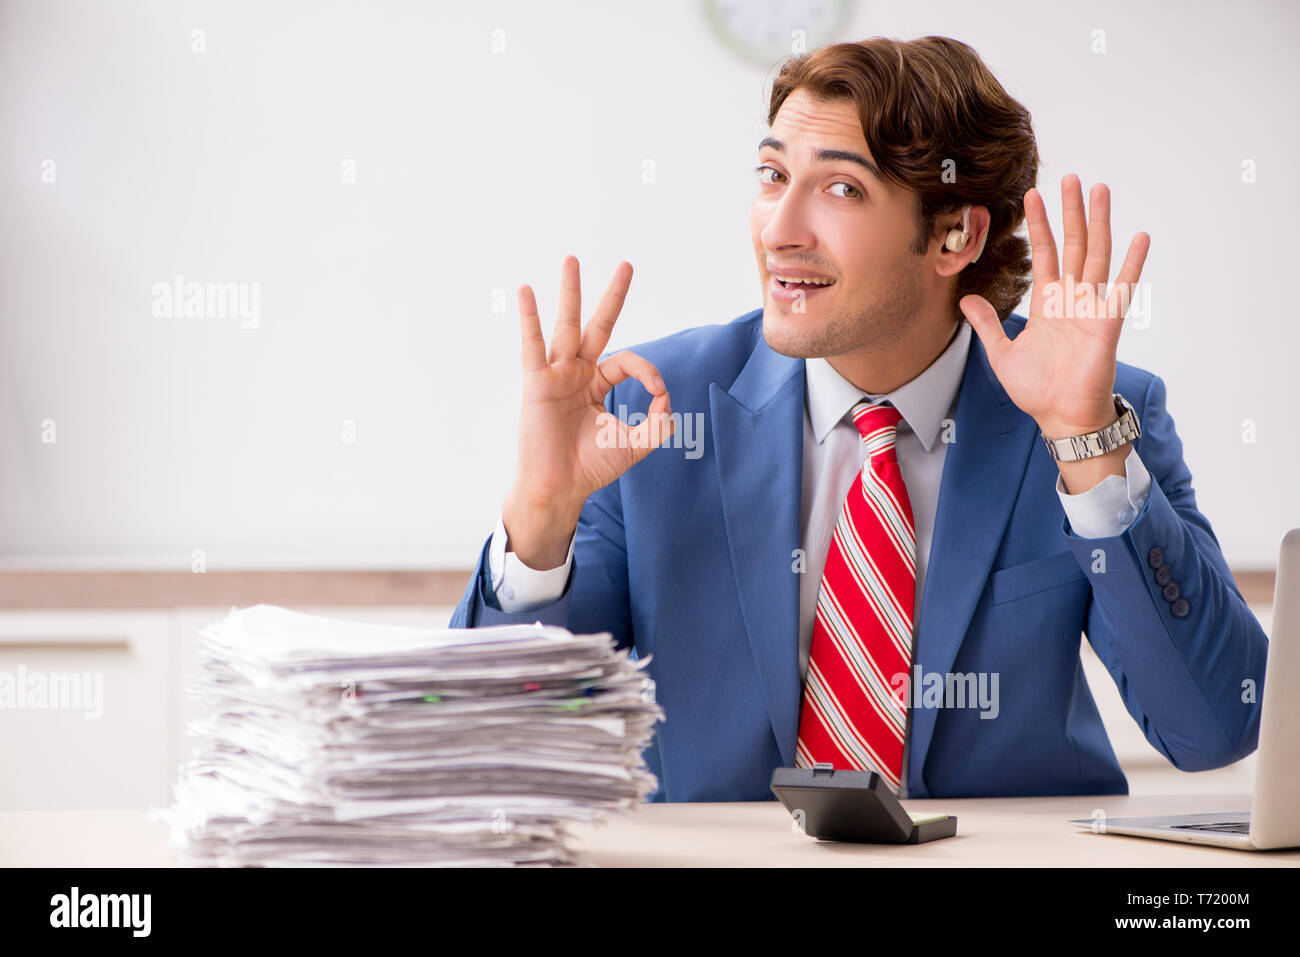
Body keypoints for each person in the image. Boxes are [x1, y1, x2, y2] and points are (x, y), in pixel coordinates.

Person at [450, 36, 1268, 801]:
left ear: (955, 233)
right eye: (773, 177)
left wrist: (1084, 445)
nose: (780, 228)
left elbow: (1214, 728)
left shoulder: (1092, 412)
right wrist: (539, 522)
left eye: (840, 188)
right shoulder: (657, 408)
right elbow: (492, 743)